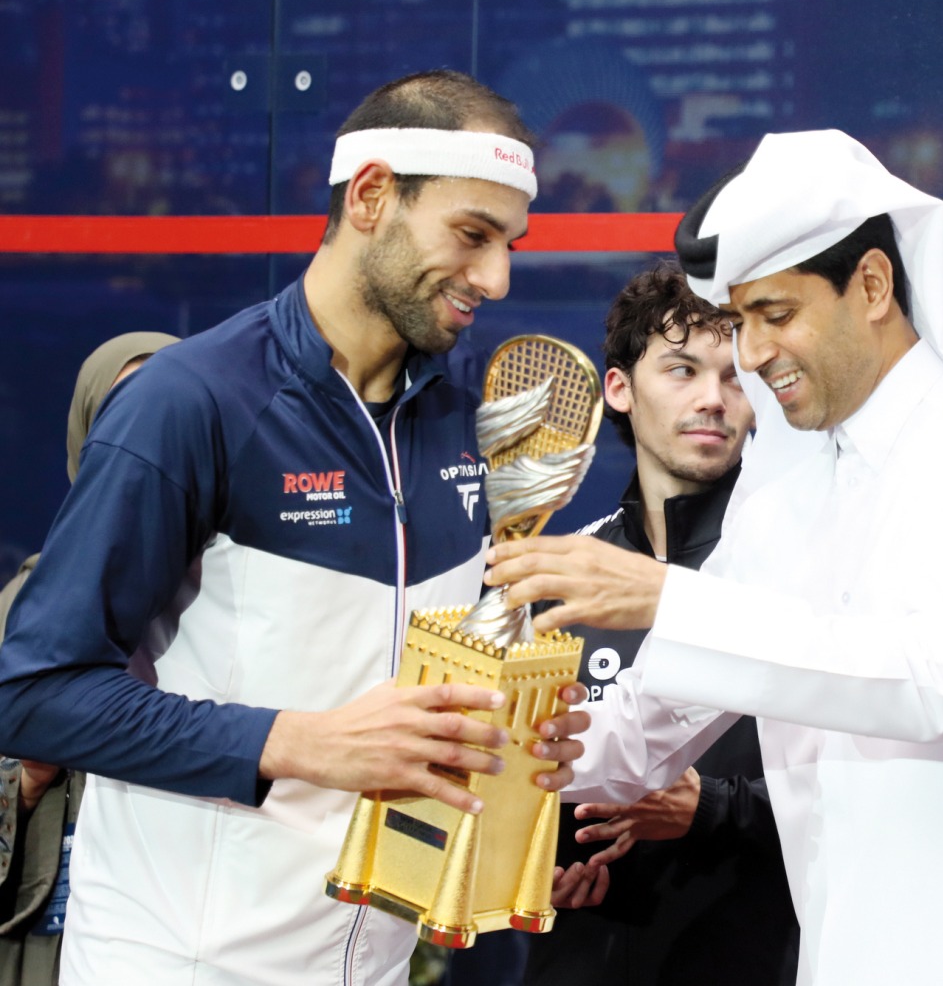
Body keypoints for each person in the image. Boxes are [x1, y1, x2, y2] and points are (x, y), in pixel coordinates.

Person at [484, 130, 943, 985]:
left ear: (873, 286)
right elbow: (654, 718)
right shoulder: (787, 485)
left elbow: (933, 680)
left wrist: (665, 595)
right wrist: (504, 744)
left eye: (777, 315)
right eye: (740, 323)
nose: (753, 354)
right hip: (849, 953)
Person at [0, 70, 588, 986]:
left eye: (509, 243)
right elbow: (34, 692)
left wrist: (512, 725)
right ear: (370, 197)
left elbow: (412, 678)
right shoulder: (191, 400)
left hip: (372, 963)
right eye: (471, 236)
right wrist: (297, 743)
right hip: (175, 962)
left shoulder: (465, 422)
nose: (496, 277)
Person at [517, 261, 796, 986]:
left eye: (734, 377)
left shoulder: (798, 567)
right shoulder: (556, 576)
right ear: (619, 388)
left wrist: (709, 809)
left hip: (756, 955)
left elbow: (870, 791)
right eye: (681, 370)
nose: (712, 400)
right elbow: (507, 782)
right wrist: (523, 874)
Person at [0, 331, 178, 986]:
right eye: (126, 418)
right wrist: (28, 775)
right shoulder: (23, 614)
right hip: (51, 948)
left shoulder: (248, 608)